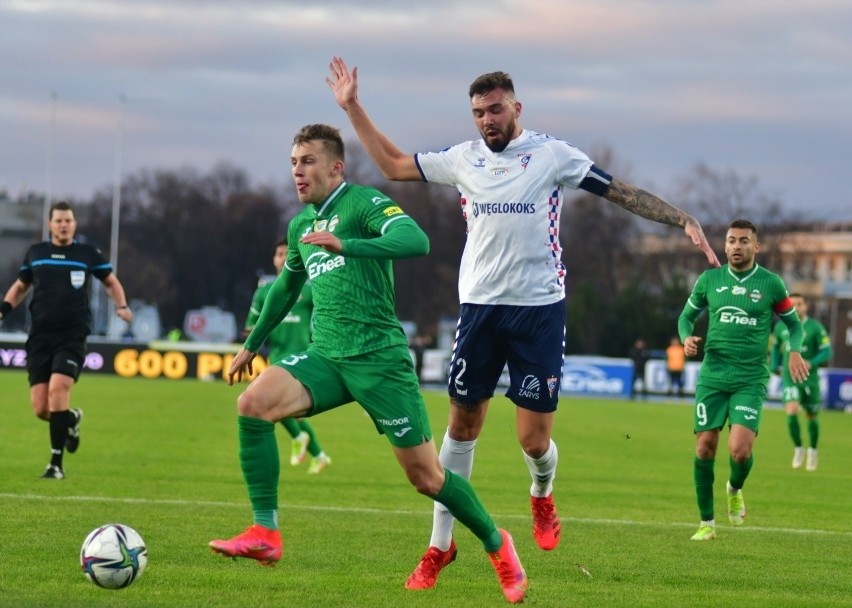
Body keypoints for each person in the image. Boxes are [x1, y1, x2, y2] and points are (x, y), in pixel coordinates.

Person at [326, 56, 720, 587]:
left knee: (533, 442)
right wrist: (352, 106)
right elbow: (394, 165)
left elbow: (620, 191)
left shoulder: (552, 155)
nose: (486, 120)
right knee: (461, 429)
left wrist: (682, 220)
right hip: (480, 311)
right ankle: (438, 546)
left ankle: (541, 494)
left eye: (494, 110)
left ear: (516, 107)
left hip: (539, 311)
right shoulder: (463, 159)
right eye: (477, 113)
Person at [209, 124, 528, 604]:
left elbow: (415, 240)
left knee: (427, 478)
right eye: (293, 162)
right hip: (327, 356)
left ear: (336, 166)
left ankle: (495, 542)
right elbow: (285, 289)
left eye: (308, 161)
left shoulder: (361, 202)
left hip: (380, 361)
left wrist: (350, 245)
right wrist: (252, 344)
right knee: (253, 403)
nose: (298, 170)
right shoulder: (301, 227)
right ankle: (265, 532)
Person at [678, 219, 808, 541]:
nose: (737, 246)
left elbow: (794, 325)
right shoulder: (709, 280)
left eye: (744, 241)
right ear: (724, 246)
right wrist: (686, 338)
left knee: (739, 451)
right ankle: (706, 523)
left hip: (750, 378)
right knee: (705, 446)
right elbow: (686, 317)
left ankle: (734, 488)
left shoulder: (771, 284)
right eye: (732, 240)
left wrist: (794, 351)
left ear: (756, 246)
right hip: (713, 376)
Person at [0, 201, 133, 479]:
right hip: (40, 337)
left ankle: (55, 464)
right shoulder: (36, 253)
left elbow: (111, 281)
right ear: (49, 224)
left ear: (74, 224)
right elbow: (22, 285)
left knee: (59, 389)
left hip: (72, 335)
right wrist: (4, 308)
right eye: (58, 220)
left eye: (68, 220)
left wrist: (121, 305)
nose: (63, 225)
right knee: (41, 408)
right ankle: (70, 419)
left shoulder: (87, 253)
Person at [245, 236, 331, 474]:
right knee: (282, 408)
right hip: (277, 356)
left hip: (300, 357)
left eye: (286, 253)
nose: (282, 258)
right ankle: (318, 453)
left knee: (276, 405)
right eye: (279, 254)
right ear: (273, 259)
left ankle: (300, 439)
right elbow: (251, 325)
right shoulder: (264, 292)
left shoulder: (310, 289)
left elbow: (328, 314)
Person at [770, 293, 832, 471]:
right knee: (791, 411)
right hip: (790, 378)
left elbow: (827, 351)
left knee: (812, 416)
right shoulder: (781, 327)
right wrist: (774, 366)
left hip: (809, 379)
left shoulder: (815, 327)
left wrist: (811, 362)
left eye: (800, 304)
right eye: (793, 304)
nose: (796, 308)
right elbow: (775, 348)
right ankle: (798, 448)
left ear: (806, 307)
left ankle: (812, 450)